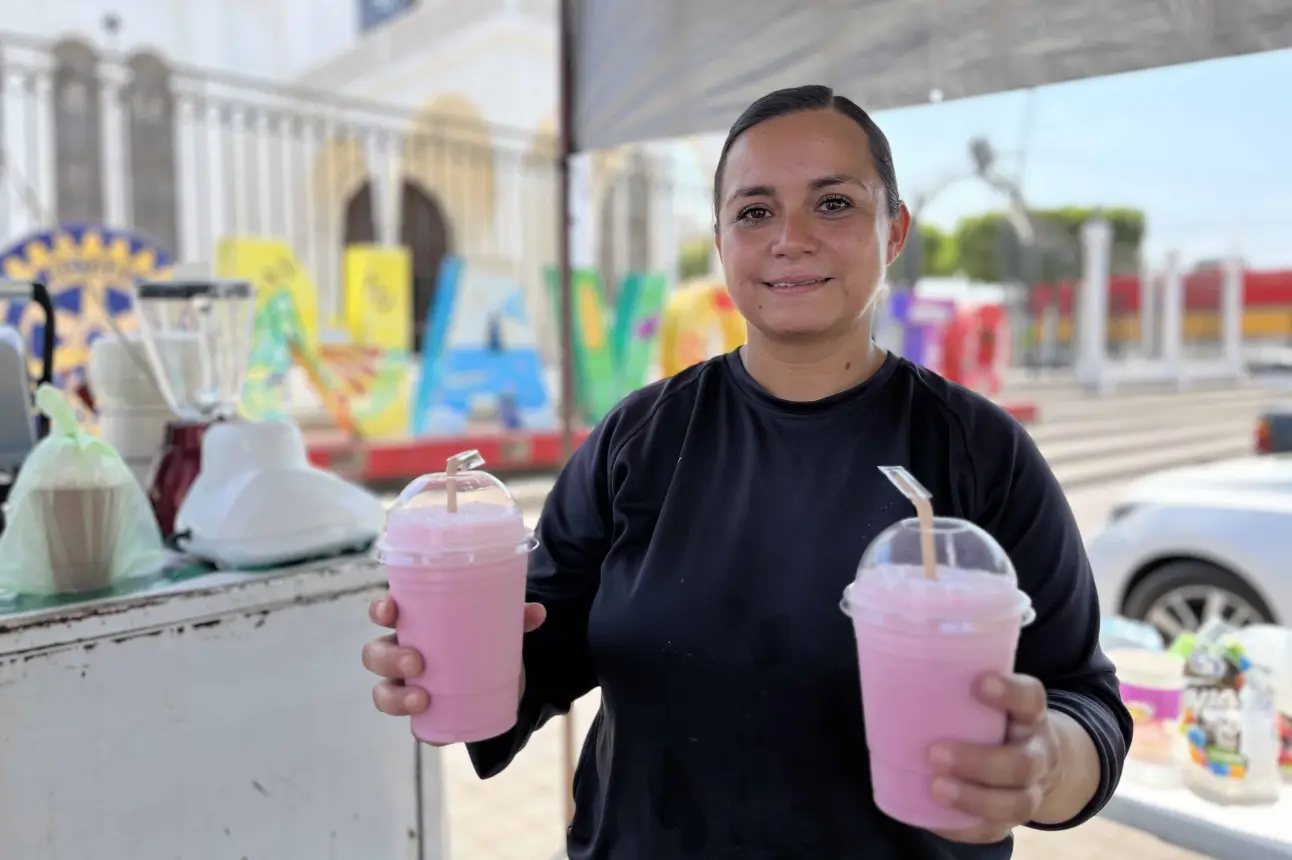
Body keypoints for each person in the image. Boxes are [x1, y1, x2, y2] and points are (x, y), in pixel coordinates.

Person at [363, 84, 1133, 859]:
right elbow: (541, 646)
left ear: (892, 230)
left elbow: (1085, 702)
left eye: (833, 204)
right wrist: (448, 658)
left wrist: (1045, 764)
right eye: (755, 211)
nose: (789, 238)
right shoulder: (639, 436)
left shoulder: (980, 450)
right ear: (723, 238)